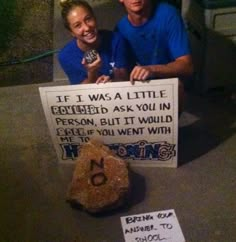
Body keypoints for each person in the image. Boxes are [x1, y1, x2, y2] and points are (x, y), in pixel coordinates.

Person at [116, 0, 194, 112]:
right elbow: (121, 74)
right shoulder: (120, 29)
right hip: (139, 85)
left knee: (177, 85)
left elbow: (187, 66)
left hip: (168, 79)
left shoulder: (168, 14)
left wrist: (152, 70)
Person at [58, 0, 130, 85]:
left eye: (88, 19)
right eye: (78, 25)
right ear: (72, 32)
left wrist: (110, 83)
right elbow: (82, 92)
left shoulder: (116, 40)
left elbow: (123, 80)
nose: (87, 28)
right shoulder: (66, 56)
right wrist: (92, 72)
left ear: (95, 18)